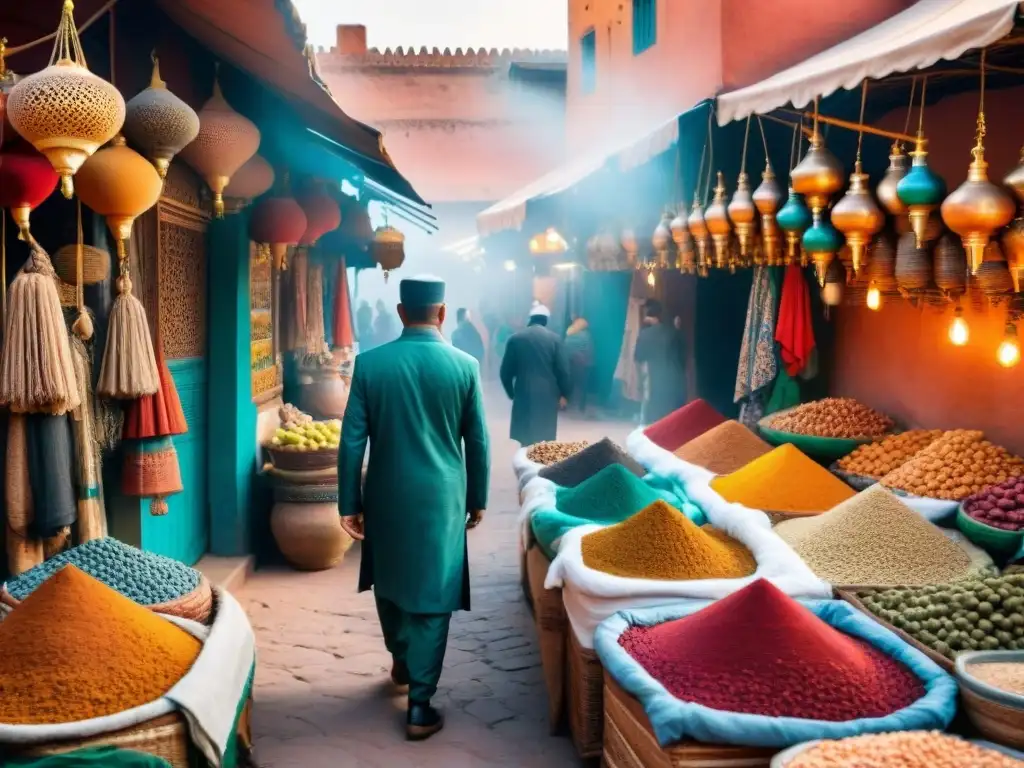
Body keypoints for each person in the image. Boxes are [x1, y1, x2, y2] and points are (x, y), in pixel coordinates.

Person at [338, 275, 490, 741]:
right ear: (442, 313)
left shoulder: (370, 365)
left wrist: (349, 502)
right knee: (433, 592)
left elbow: (350, 441)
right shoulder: (465, 366)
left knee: (391, 579)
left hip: (386, 493)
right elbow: (478, 442)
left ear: (402, 312)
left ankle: (401, 660)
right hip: (442, 498)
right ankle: (420, 705)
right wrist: (477, 497)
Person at [500, 301, 571, 445]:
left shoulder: (515, 339)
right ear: (546, 321)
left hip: (523, 393)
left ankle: (525, 465)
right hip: (548, 396)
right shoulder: (555, 340)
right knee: (544, 441)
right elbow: (563, 371)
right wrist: (565, 394)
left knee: (525, 440)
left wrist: (512, 393)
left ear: (530, 319)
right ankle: (541, 467)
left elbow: (505, 373)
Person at [634, 298, 687, 424]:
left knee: (653, 418)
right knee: (672, 417)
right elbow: (682, 357)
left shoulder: (645, 334)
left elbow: (638, 359)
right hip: (674, 382)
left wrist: (639, 383)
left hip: (654, 381)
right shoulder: (674, 333)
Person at [564, 314, 594, 414]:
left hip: (570, 363)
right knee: (583, 386)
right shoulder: (586, 335)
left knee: (569, 384)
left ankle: (566, 404)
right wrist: (590, 363)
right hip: (583, 364)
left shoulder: (569, 334)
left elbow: (565, 348)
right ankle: (581, 407)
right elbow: (589, 350)